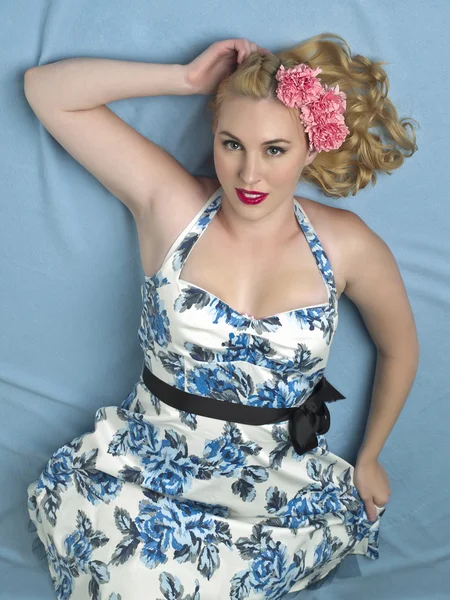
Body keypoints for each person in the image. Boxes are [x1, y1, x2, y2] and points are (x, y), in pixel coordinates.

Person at [24, 33, 420, 599]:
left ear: (312, 147)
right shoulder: (173, 206)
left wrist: (372, 454)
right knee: (140, 582)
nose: (250, 174)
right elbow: (46, 91)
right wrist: (183, 80)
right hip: (144, 479)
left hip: (276, 492)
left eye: (275, 150)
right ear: (213, 135)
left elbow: (401, 346)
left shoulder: (346, 246)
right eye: (232, 144)